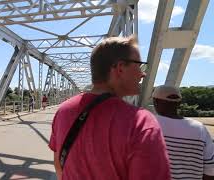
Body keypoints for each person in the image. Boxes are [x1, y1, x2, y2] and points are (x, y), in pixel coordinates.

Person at [48, 36, 171, 180]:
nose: (142, 73)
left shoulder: (63, 111)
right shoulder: (140, 122)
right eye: (139, 65)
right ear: (120, 68)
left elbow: (59, 165)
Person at [152, 85, 214, 180]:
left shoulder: (147, 125)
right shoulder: (200, 129)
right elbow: (210, 169)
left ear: (155, 101)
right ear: (179, 103)